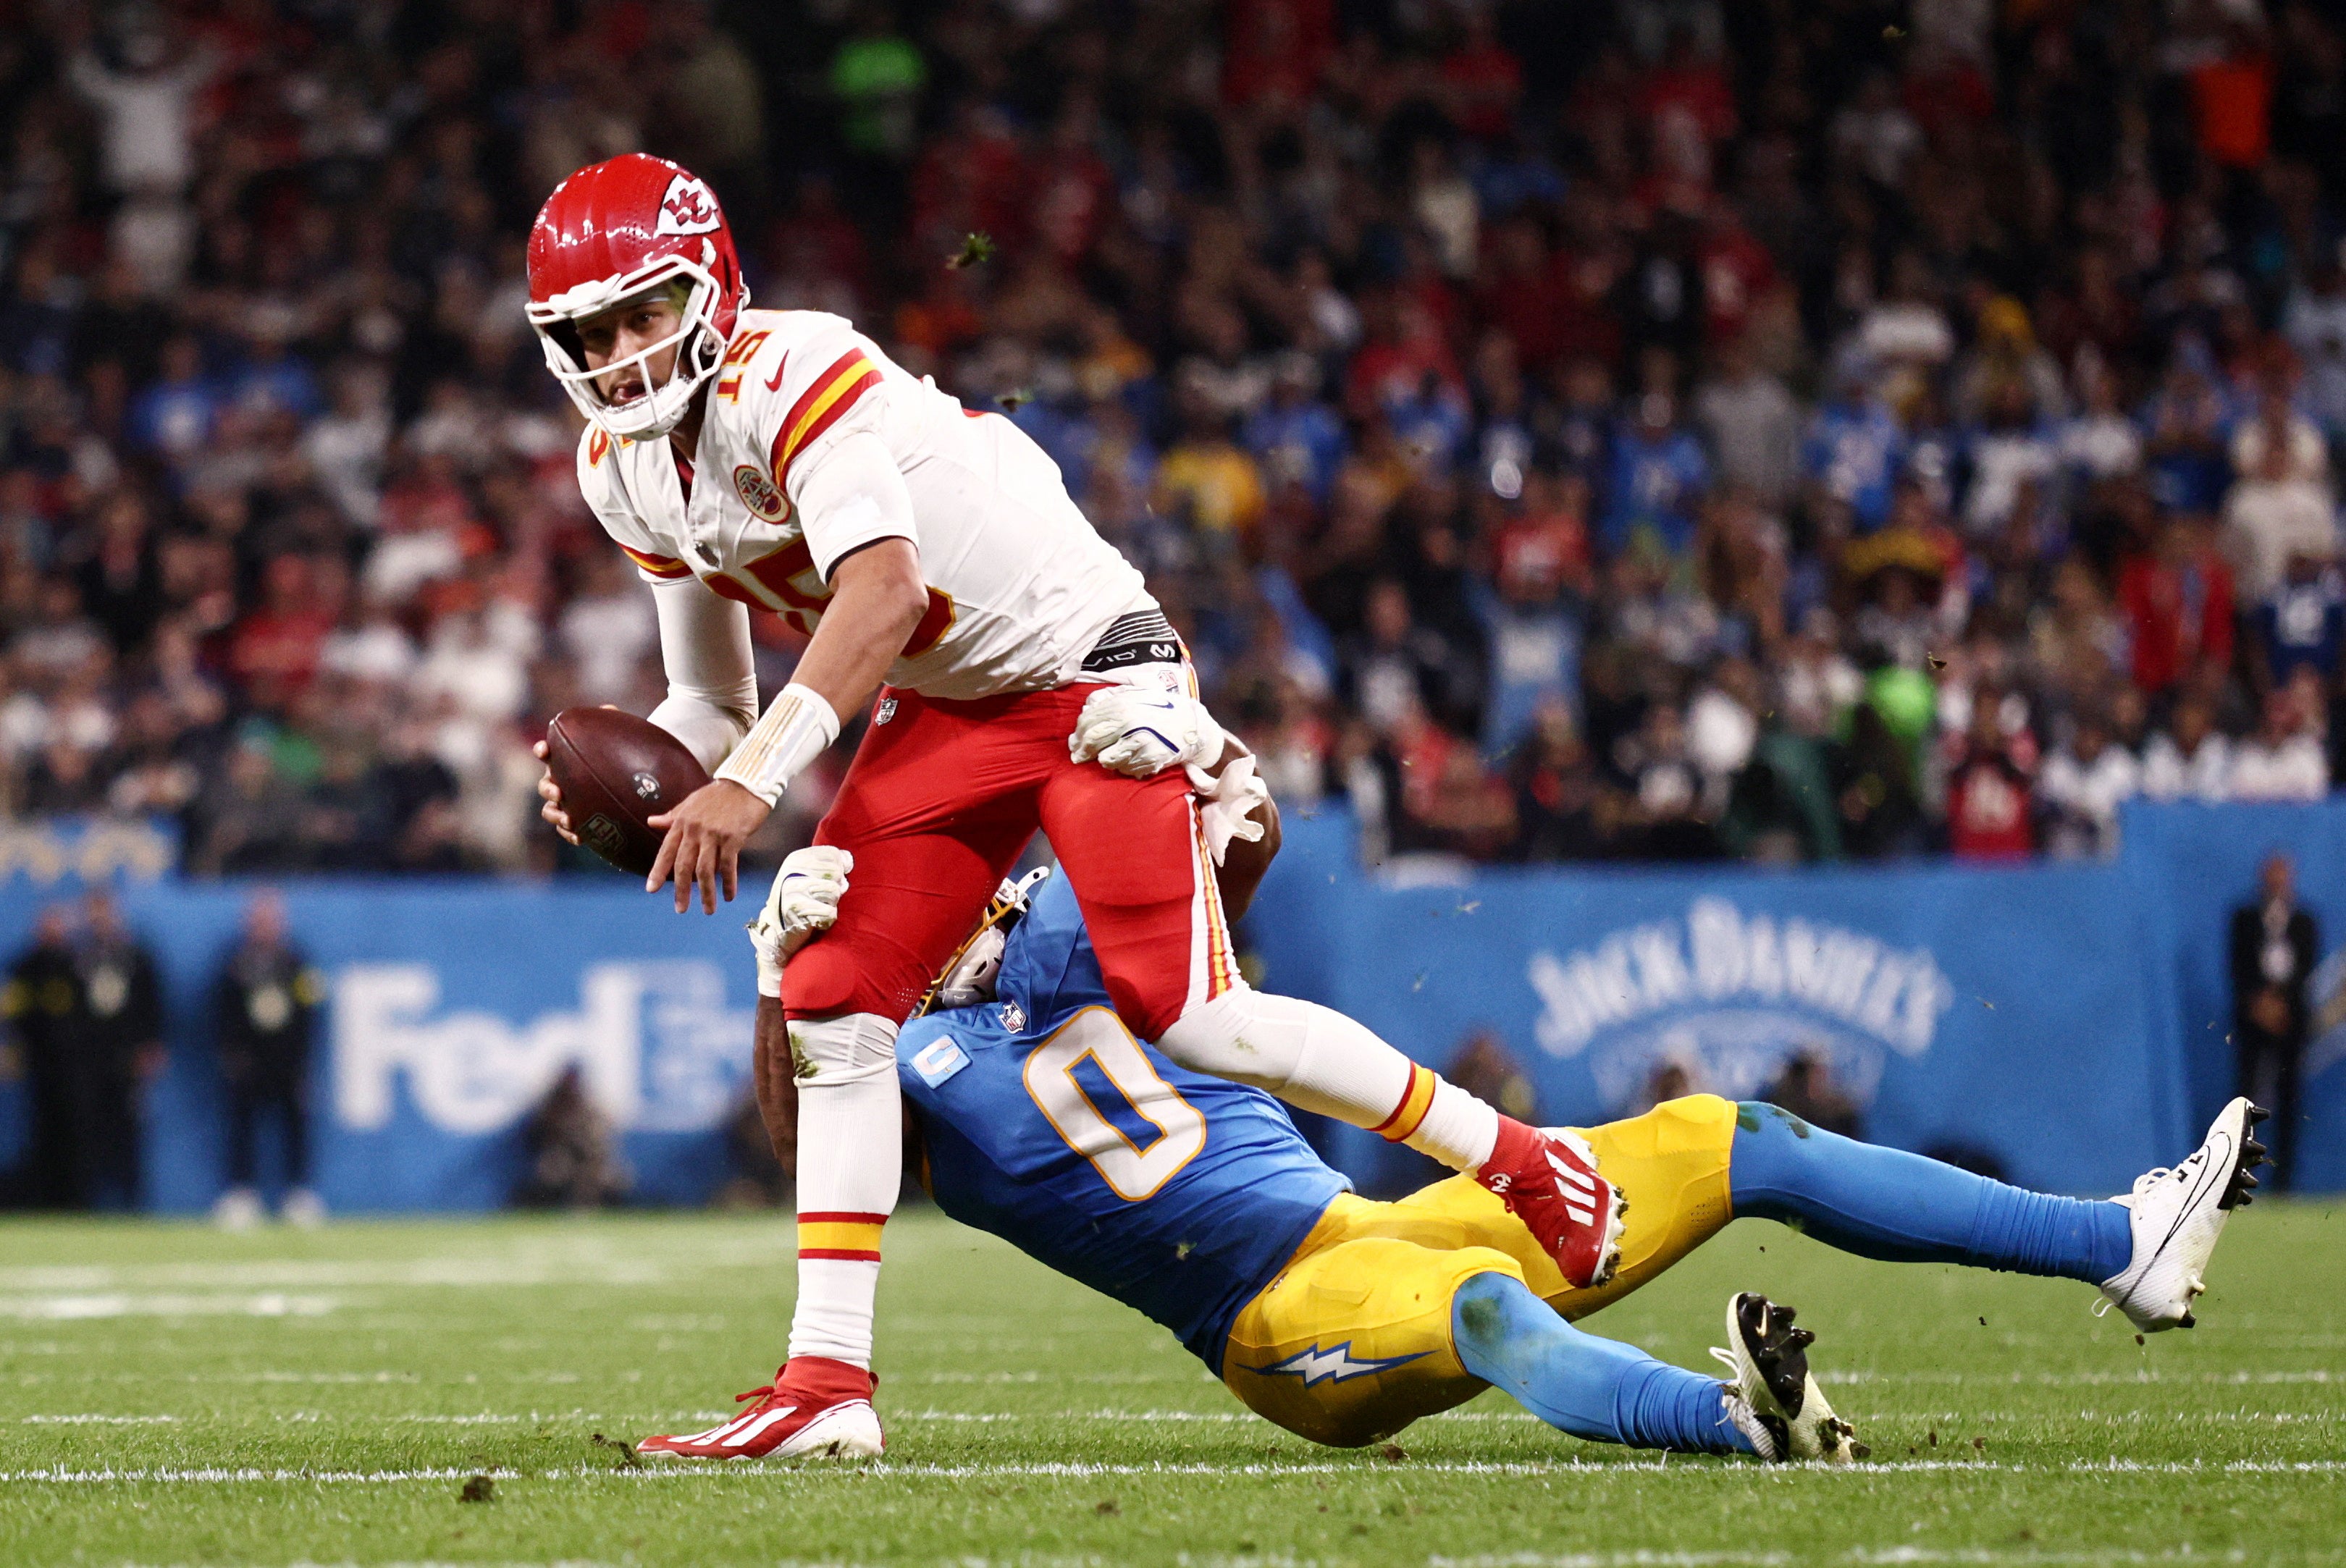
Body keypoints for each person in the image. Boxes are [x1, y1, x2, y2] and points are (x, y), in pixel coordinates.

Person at [523, 155, 1621, 1455]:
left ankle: (1522, 1157)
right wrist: (664, 782)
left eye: (644, 312)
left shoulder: (792, 368)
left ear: (707, 285)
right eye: (592, 331)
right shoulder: (626, 469)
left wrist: (749, 783)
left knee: (1191, 1013)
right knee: (830, 990)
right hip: (950, 702)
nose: (623, 351)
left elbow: (877, 595)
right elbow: (710, 695)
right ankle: (827, 1386)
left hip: (1087, 659)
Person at [639, 838, 2270, 1462]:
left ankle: (2111, 1243)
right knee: (1489, 1302)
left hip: (1372, 1224)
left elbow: (1223, 876)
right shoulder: (895, 1069)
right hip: (1277, 1336)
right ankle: (1735, 1430)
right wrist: (785, 986)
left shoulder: (1071, 935)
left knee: (1731, 1133)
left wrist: (1217, 802)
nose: (978, 903)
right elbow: (801, 1138)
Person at [209, 890, 327, 1228]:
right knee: (242, 1128)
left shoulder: (296, 962)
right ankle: (242, 1194)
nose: (264, 927)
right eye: (258, 920)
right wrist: (230, 1052)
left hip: (287, 1061)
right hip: (248, 1062)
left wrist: (304, 1058)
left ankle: (298, 1194)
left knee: (295, 1129)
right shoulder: (233, 964)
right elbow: (221, 1011)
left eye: (270, 919)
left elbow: (311, 1011)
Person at [59, 892, 166, 1211]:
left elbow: (152, 1005)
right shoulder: (76, 957)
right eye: (95, 913)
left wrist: (151, 1046)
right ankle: (85, 1202)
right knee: (86, 1130)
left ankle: (132, 1202)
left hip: (127, 1057)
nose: (101, 920)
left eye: (106, 912)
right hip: (88, 1059)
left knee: (129, 1132)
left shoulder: (135, 956)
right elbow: (67, 1010)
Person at [2229, 853, 2317, 1189]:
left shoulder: (2304, 920)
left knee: (2289, 1096)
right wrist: (2260, 1004)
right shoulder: (2246, 918)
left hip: (2290, 1021)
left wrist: (2282, 1006)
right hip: (2253, 1021)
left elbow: (2306, 968)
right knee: (2245, 1100)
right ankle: (2235, 1173)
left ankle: (2283, 1180)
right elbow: (2238, 967)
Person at [1, 906, 83, 1208]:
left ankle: (74, 1200)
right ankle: (43, 1199)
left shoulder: (77, 964)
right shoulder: (25, 967)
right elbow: (13, 1017)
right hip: (38, 1066)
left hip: (75, 1068)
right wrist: (12, 1052)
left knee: (74, 1134)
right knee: (38, 1132)